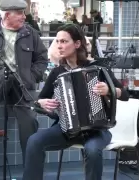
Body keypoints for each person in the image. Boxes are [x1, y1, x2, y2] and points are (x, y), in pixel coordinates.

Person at [22, 23, 129, 180]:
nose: (59, 46)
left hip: (97, 130)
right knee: (34, 140)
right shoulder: (57, 72)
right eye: (57, 41)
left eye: (64, 41)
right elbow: (38, 101)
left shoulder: (97, 68)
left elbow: (124, 95)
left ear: (77, 44)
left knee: (92, 150)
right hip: (67, 130)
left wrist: (110, 89)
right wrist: (42, 104)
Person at [0, 0, 48, 162]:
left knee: (30, 122)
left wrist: (32, 75)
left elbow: (41, 58)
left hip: (24, 86)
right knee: (7, 74)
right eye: (19, 13)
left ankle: (31, 167)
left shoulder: (30, 33)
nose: (24, 17)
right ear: (6, 15)